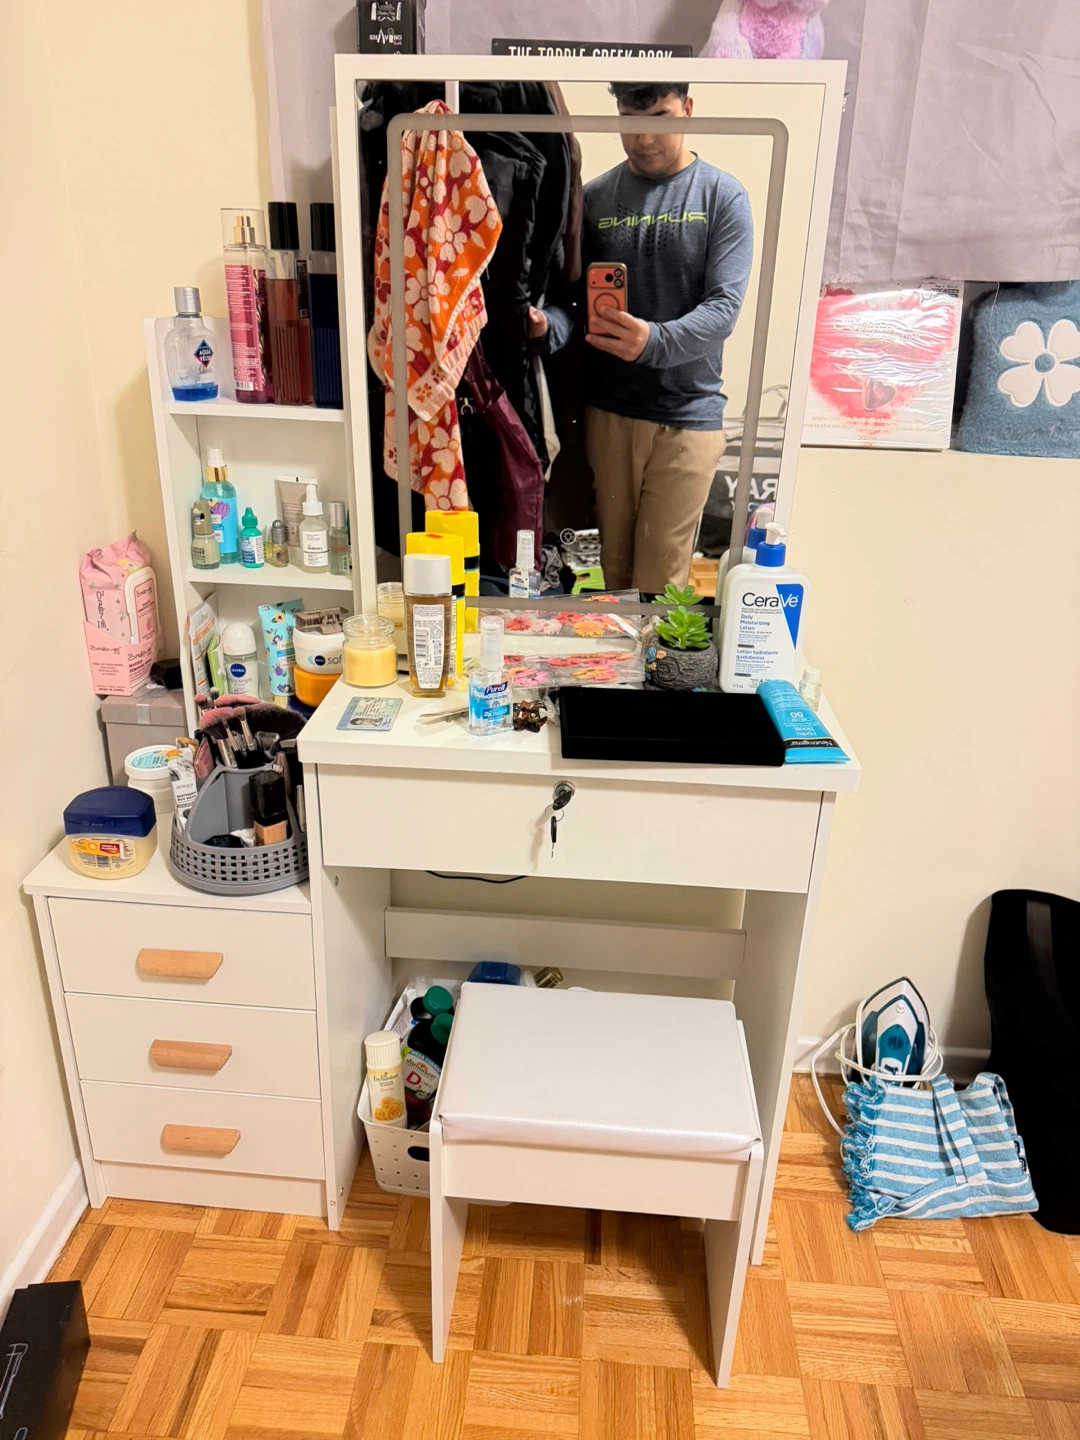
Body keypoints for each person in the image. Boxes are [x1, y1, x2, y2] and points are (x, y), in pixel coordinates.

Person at [531, 82, 754, 593]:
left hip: (688, 417)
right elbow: (573, 306)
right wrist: (546, 327)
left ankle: (665, 672)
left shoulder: (722, 195)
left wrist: (651, 342)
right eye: (630, 120)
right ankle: (616, 671)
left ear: (688, 110)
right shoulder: (596, 197)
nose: (644, 137)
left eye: (659, 116)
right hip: (609, 415)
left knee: (661, 579)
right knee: (613, 572)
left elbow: (724, 309)